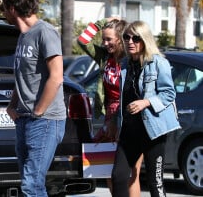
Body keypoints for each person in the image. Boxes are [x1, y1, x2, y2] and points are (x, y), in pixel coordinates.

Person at [0, 0, 66, 197]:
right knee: (30, 181)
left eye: (3, 7)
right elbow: (24, 76)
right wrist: (12, 105)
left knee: (32, 184)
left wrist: (38, 111)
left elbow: (56, 77)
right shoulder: (23, 36)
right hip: (24, 118)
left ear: (12, 8)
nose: (3, 13)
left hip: (45, 120)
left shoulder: (44, 31)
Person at [111, 20, 181, 197]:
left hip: (153, 131)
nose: (130, 42)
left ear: (145, 40)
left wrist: (146, 102)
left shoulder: (158, 63)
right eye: (126, 37)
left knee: (154, 182)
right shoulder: (125, 65)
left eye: (136, 38)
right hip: (129, 131)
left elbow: (169, 93)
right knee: (118, 177)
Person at [77, 18, 143, 195]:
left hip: (129, 115)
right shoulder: (104, 57)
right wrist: (100, 23)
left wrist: (115, 120)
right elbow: (82, 40)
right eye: (103, 39)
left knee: (130, 173)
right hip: (110, 114)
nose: (105, 44)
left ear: (121, 39)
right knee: (109, 170)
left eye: (109, 39)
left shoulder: (131, 60)